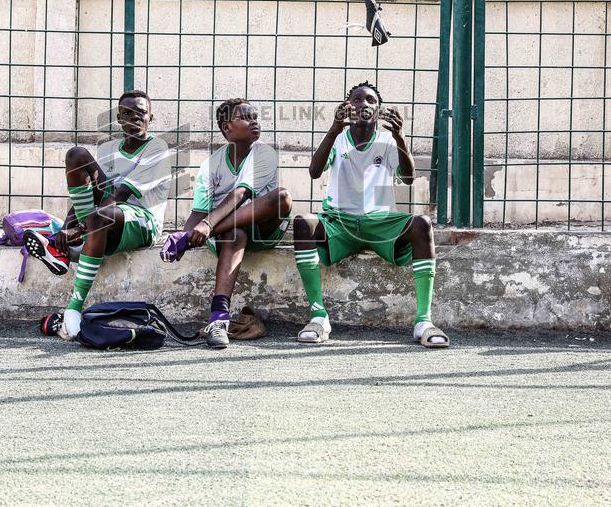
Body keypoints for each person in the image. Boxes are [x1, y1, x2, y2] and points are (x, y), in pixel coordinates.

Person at [290, 81, 447, 347]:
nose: (364, 104)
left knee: (421, 224)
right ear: (347, 107)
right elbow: (315, 171)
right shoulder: (338, 138)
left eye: (371, 100)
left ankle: (424, 321)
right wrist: (333, 128)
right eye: (357, 99)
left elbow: (409, 178)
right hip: (339, 222)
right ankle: (319, 317)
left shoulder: (387, 141)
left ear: (379, 111)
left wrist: (400, 138)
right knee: (303, 222)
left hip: (379, 222)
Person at [24, 90, 171, 340]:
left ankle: (73, 307)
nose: (134, 118)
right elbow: (92, 195)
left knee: (99, 217)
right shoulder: (108, 149)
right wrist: (66, 226)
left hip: (142, 220)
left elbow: (122, 194)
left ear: (151, 118)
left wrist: (80, 228)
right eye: (127, 113)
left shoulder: (157, 148)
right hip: (104, 216)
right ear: (118, 118)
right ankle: (65, 246)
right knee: (77, 155)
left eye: (141, 113)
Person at [160, 98, 291, 349]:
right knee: (235, 233)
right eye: (246, 117)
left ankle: (199, 236)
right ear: (227, 128)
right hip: (228, 233)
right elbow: (199, 212)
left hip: (264, 229)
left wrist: (204, 229)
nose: (254, 121)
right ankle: (218, 319)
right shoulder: (212, 164)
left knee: (282, 198)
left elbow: (240, 194)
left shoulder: (264, 152)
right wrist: (188, 233)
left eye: (256, 116)